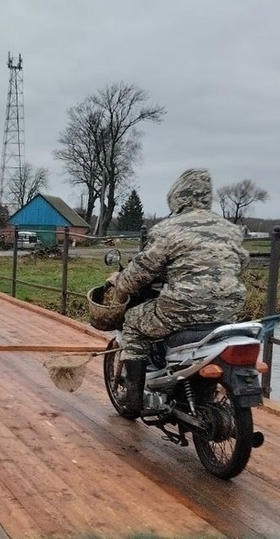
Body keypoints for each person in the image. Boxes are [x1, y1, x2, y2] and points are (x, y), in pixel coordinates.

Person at [106, 168, 250, 412]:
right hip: (228, 310)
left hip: (182, 308)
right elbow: (242, 264)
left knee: (133, 321)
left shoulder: (168, 229)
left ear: (177, 196)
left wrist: (120, 283)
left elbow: (141, 270)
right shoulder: (230, 229)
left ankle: (132, 399)